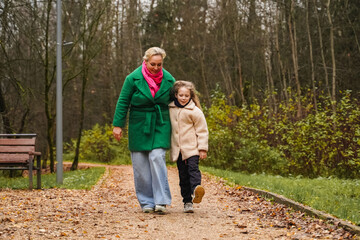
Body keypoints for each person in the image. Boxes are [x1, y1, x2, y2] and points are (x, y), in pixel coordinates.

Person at [112, 47, 175, 214]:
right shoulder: (133, 78)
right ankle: (147, 202)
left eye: (159, 65)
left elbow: (179, 101)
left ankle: (161, 200)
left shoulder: (169, 79)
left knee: (157, 157)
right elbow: (123, 101)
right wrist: (118, 125)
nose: (155, 67)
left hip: (160, 122)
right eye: (152, 64)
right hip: (139, 123)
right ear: (145, 61)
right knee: (140, 164)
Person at [169, 80, 209, 213]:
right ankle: (187, 201)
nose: (183, 98)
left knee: (193, 170)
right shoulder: (171, 109)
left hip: (192, 148)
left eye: (186, 96)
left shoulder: (195, 111)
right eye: (181, 95)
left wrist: (202, 148)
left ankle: (197, 189)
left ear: (190, 97)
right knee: (183, 176)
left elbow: (202, 130)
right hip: (178, 150)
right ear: (176, 95)